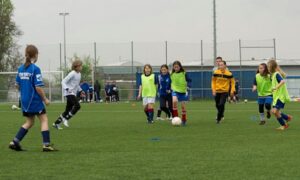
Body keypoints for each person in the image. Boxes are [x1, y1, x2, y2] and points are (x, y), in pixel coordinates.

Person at [9, 45, 56, 152]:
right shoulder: (35, 69)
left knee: (29, 122)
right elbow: (38, 87)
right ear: (35, 55)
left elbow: (17, 85)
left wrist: (24, 90)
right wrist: (45, 99)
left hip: (24, 100)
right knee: (44, 119)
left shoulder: (20, 68)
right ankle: (46, 145)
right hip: (34, 99)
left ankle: (15, 141)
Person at [53, 60, 85, 129]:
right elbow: (63, 81)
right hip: (69, 93)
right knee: (77, 106)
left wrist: (81, 90)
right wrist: (67, 89)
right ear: (76, 67)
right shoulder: (72, 73)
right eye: (80, 66)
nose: (81, 67)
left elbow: (76, 85)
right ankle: (66, 119)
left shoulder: (79, 74)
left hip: (73, 93)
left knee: (67, 110)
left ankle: (56, 123)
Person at [267, 59, 292, 130]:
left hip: (280, 97)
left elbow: (282, 81)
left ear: (272, 67)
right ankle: (287, 117)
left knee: (275, 111)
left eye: (268, 67)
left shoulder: (276, 74)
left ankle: (284, 125)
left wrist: (275, 87)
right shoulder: (273, 75)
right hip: (276, 97)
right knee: (275, 111)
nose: (268, 68)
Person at [171, 61, 192, 126]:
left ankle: (184, 119)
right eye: (175, 67)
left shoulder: (184, 73)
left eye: (177, 67)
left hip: (183, 91)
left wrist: (189, 85)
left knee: (183, 107)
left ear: (180, 67)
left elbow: (189, 80)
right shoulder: (172, 74)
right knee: (174, 101)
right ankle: (176, 118)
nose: (176, 68)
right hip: (175, 90)